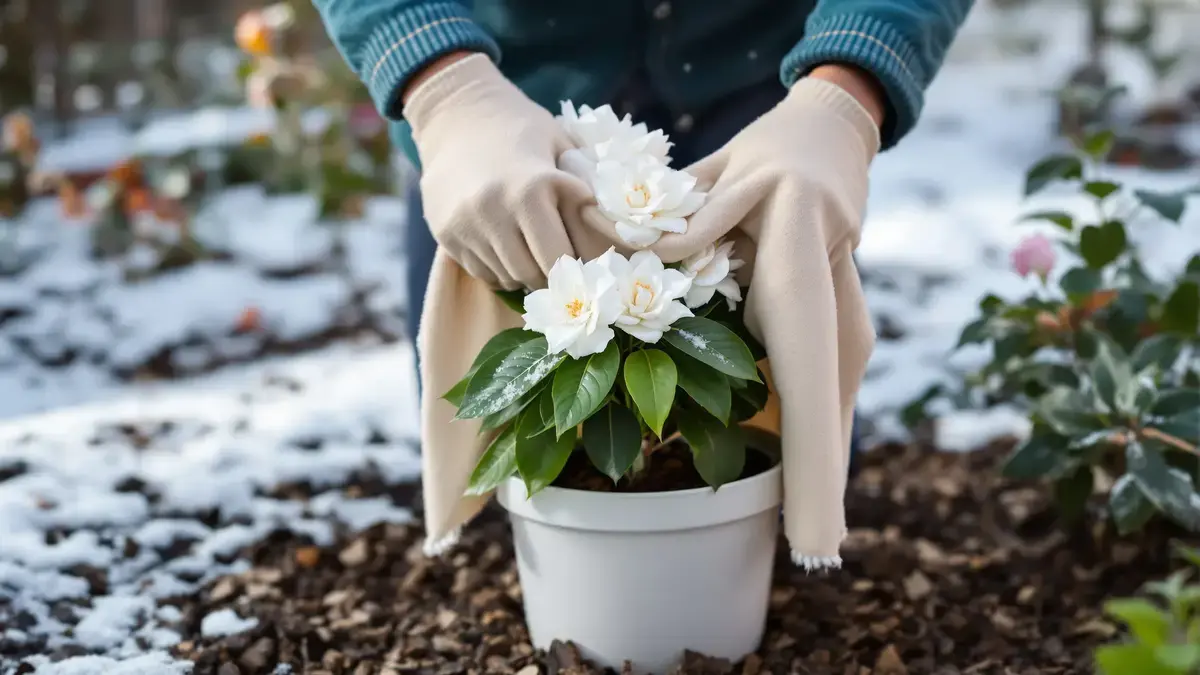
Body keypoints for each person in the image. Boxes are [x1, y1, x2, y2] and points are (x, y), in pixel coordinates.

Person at [311, 0, 974, 463]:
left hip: (763, 89)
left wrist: (847, 92)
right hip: (503, 104)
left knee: (783, 456)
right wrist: (441, 86)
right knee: (494, 450)